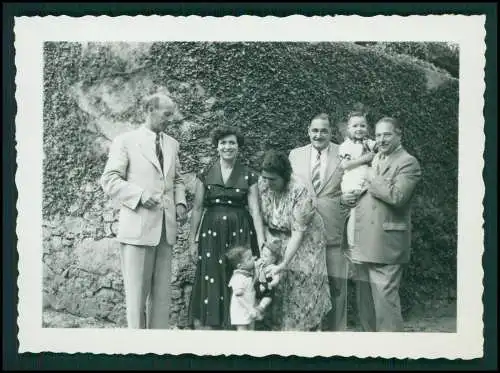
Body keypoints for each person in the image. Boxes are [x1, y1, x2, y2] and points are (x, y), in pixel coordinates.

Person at [100, 92, 187, 329]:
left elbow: (177, 180)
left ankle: (157, 347)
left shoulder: (172, 144)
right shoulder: (125, 141)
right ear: (149, 110)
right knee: (137, 296)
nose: (171, 119)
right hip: (137, 230)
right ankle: (137, 348)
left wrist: (180, 203)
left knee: (161, 298)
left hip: (165, 231)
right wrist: (139, 196)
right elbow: (109, 180)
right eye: (166, 114)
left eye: (172, 114)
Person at [342, 117, 422, 332]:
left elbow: (397, 196)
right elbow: (359, 190)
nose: (381, 139)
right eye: (377, 135)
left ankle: (392, 353)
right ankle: (372, 350)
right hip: (362, 240)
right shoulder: (375, 157)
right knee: (365, 304)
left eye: (387, 134)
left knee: (386, 305)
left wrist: (371, 176)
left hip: (386, 244)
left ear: (399, 134)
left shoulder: (408, 162)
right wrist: (345, 199)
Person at [188, 125, 265, 330]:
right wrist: (192, 240)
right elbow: (196, 208)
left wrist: (262, 240)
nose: (227, 147)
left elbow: (256, 210)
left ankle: (238, 322)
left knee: (239, 273)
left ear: (238, 147)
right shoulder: (205, 174)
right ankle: (213, 321)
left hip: (240, 228)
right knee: (212, 272)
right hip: (210, 230)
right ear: (217, 147)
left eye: (232, 143)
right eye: (223, 143)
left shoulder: (249, 175)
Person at [288, 113, 349, 331]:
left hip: (334, 228)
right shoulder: (295, 155)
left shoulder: (344, 153)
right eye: (315, 130)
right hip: (305, 233)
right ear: (308, 131)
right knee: (308, 284)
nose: (319, 135)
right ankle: (311, 334)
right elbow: (289, 191)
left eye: (324, 130)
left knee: (337, 284)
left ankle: (336, 336)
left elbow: (352, 185)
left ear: (331, 132)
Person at [258, 150, 331, 331]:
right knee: (276, 285)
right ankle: (280, 330)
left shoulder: (299, 192)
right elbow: (264, 220)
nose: (267, 183)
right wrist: (268, 244)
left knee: (302, 285)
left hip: (307, 242)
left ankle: (304, 331)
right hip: (279, 237)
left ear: (285, 177)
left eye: (272, 179)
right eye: (265, 178)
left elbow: (298, 233)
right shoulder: (263, 185)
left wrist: (283, 264)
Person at [339, 109, 378, 263]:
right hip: (353, 181)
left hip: (366, 182)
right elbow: (345, 165)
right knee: (354, 215)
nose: (359, 129)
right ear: (348, 129)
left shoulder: (369, 142)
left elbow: (380, 149)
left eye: (362, 126)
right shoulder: (346, 146)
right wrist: (365, 158)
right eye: (355, 126)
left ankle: (368, 246)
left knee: (368, 215)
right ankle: (353, 247)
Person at [226, 245, 259, 331]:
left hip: (249, 310)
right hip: (241, 311)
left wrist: (257, 273)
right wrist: (250, 309)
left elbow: (250, 286)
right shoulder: (238, 277)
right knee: (242, 333)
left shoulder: (246, 274)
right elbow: (239, 296)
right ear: (240, 266)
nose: (253, 259)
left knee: (251, 332)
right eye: (249, 259)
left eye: (252, 256)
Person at [253, 239, 281, 321]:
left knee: (268, 296)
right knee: (253, 293)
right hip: (258, 285)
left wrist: (270, 285)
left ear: (273, 260)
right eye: (261, 254)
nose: (262, 257)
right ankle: (256, 311)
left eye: (265, 256)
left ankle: (261, 307)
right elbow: (256, 275)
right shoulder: (260, 264)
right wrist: (256, 266)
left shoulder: (273, 268)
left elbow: (276, 280)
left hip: (267, 287)